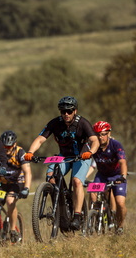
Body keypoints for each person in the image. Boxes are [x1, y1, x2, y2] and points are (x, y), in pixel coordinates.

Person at [24, 96, 99, 231]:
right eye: (63, 111)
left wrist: (90, 152)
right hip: (63, 156)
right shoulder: (55, 123)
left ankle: (77, 215)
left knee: (77, 181)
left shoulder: (82, 123)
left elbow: (95, 141)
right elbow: (40, 139)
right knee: (50, 177)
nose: (66, 114)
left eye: (69, 111)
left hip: (82, 156)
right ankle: (60, 208)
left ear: (75, 111)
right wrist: (30, 152)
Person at [90, 121, 128, 235]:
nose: (100, 137)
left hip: (116, 176)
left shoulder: (116, 145)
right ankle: (93, 219)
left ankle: (120, 226)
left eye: (103, 134)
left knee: (120, 203)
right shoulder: (93, 145)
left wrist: (123, 176)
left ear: (109, 134)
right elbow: (87, 161)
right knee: (92, 194)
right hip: (102, 176)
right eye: (97, 135)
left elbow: (122, 162)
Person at [0, 130, 32, 243]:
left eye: (9, 146)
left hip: (17, 183)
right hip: (3, 183)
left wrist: (26, 188)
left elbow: (27, 172)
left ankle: (12, 230)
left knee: (10, 201)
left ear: (15, 144)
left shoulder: (20, 152)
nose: (6, 149)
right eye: (4, 146)